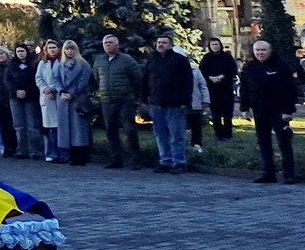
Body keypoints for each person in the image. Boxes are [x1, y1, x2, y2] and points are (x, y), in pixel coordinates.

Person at [239, 38, 299, 185]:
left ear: (270, 51)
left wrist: (288, 110)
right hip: (259, 111)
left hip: (279, 111)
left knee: (284, 142)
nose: (260, 53)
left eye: (263, 50)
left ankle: (289, 174)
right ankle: (268, 173)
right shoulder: (249, 68)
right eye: (257, 50)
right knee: (263, 142)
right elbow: (245, 89)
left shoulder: (280, 67)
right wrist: (244, 108)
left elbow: (290, 90)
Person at [90, 34, 145, 169]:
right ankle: (116, 159)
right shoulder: (99, 60)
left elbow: (137, 79)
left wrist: (136, 97)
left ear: (117, 45)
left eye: (110, 42)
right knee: (111, 130)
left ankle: (135, 159)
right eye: (105, 43)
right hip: (107, 101)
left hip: (125, 100)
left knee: (129, 130)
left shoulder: (127, 60)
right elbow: (97, 78)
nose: (108, 45)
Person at [144, 33, 195, 174]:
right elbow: (145, 79)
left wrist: (185, 101)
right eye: (159, 42)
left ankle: (179, 162)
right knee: (161, 135)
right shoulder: (152, 60)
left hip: (175, 104)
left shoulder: (180, 60)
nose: (161, 45)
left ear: (170, 45)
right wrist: (144, 99)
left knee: (177, 135)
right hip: (156, 103)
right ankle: (165, 161)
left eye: (164, 42)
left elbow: (188, 81)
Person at [55, 40, 94, 165]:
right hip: (63, 100)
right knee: (66, 129)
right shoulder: (60, 64)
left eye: (72, 49)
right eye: (67, 49)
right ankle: (70, 154)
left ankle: (81, 156)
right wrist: (61, 91)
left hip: (77, 100)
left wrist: (71, 94)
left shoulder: (83, 64)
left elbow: (83, 82)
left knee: (79, 129)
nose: (69, 51)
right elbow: (56, 79)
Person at [199, 37, 238, 140]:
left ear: (220, 45)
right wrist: (210, 77)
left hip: (226, 88)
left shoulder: (227, 57)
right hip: (212, 89)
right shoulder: (207, 57)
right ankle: (218, 134)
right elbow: (202, 70)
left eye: (216, 44)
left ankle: (228, 134)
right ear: (210, 46)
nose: (215, 47)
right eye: (213, 45)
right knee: (215, 113)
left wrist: (222, 76)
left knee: (227, 112)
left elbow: (233, 69)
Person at [34, 40, 64, 162]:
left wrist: (53, 89)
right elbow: (38, 78)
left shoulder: (62, 62)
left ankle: (62, 153)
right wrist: (45, 89)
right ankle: (52, 153)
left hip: (59, 96)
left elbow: (62, 78)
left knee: (60, 127)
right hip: (47, 98)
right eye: (49, 48)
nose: (52, 50)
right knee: (51, 128)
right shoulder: (43, 63)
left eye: (54, 47)